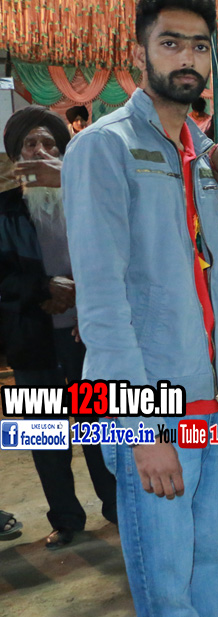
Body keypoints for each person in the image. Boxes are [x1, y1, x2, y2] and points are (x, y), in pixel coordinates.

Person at [62, 0, 218, 617]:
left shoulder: (201, 151)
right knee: (167, 590)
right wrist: (140, 429)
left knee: (205, 570)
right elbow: (102, 305)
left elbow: (213, 284)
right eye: (170, 43)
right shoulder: (102, 148)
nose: (187, 58)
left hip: (207, 407)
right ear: (140, 53)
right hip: (150, 412)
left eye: (199, 46)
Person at [3, 107, 117, 550]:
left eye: (50, 144)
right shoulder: (4, 209)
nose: (40, 151)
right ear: (17, 156)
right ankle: (66, 518)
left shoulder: (84, 201)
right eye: (30, 144)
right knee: (45, 435)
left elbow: (111, 258)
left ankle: (117, 506)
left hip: (85, 337)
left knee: (100, 428)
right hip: (32, 339)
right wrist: (42, 288)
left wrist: (86, 300)